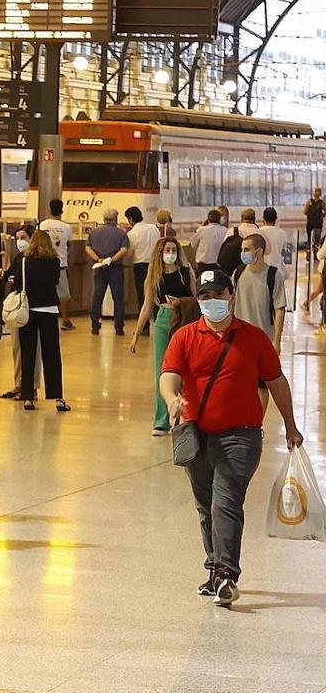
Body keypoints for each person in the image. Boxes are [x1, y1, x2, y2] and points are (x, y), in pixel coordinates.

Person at [159, 269, 302, 608]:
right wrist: (172, 400)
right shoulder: (184, 336)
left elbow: (276, 382)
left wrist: (291, 425)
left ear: (231, 297)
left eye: (219, 296)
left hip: (242, 436)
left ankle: (226, 573)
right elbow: (169, 375)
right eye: (206, 297)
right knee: (205, 505)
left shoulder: (253, 338)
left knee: (225, 500)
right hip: (196, 435)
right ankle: (214, 569)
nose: (212, 303)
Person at [129, 237, 196, 436]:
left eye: (173, 249)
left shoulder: (186, 272)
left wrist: (181, 302)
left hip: (184, 319)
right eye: (166, 249)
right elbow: (147, 305)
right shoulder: (154, 275)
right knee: (162, 370)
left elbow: (196, 298)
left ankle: (186, 416)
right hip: (163, 318)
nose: (170, 253)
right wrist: (136, 335)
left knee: (186, 368)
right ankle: (161, 420)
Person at [8, 230, 69, 412]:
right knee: (52, 354)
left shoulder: (25, 261)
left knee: (28, 353)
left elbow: (18, 283)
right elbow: (56, 282)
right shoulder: (54, 262)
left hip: (29, 311)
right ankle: (58, 397)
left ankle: (28, 397)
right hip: (49, 310)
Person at [232, 233, 287, 407]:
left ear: (259, 251)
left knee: (262, 386)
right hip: (239, 339)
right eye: (242, 249)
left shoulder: (273, 275)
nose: (243, 253)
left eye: (246, 249)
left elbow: (280, 309)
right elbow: (231, 302)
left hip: (263, 339)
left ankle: (256, 424)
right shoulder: (238, 273)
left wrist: (276, 341)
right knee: (240, 383)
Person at [85, 209, 130, 336]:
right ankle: (119, 327)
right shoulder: (121, 234)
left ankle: (95, 326)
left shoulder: (94, 232)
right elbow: (124, 250)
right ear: (115, 219)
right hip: (115, 268)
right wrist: (111, 259)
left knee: (97, 297)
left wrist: (98, 259)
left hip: (99, 268)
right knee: (118, 298)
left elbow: (87, 247)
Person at [39, 199, 75, 331]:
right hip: (61, 264)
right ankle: (65, 320)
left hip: (43, 263)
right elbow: (68, 245)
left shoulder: (43, 225)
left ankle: (43, 318)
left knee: (44, 292)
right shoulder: (67, 228)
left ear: (49, 209)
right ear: (62, 210)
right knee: (64, 295)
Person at [125, 206, 160, 326]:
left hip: (140, 266)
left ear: (130, 219)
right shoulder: (154, 228)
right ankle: (158, 323)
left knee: (142, 296)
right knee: (156, 294)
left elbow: (129, 254)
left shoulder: (132, 233)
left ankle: (144, 327)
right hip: (156, 264)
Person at [191, 209, 227, 275]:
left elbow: (193, 244)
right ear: (219, 219)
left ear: (208, 219)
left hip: (203, 265)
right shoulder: (225, 231)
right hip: (219, 266)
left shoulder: (201, 230)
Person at [257, 207, 287, 276]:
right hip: (277, 269)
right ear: (275, 219)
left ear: (263, 219)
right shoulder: (282, 233)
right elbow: (284, 250)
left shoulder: (258, 232)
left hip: (261, 270)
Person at [305, 187, 324, 257]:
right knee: (313, 240)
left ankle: (312, 255)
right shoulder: (311, 202)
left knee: (313, 240)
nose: (319, 194)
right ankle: (311, 255)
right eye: (318, 192)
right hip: (314, 224)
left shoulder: (321, 203)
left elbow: (305, 212)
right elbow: (305, 212)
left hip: (314, 224)